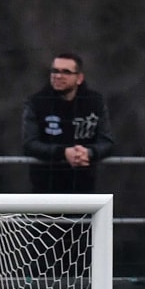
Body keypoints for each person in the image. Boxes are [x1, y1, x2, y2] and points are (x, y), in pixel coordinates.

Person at [22, 52, 115, 193]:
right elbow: (29, 144)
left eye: (66, 72)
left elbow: (107, 143)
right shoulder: (37, 102)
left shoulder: (94, 102)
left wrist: (89, 153)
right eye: (55, 71)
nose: (58, 76)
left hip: (84, 186)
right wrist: (63, 153)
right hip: (45, 187)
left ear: (79, 78)